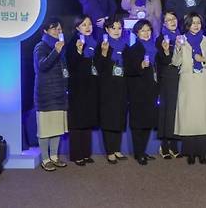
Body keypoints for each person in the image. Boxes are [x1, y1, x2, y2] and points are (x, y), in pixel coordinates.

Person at [173, 13, 206, 165]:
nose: (196, 25)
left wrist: (203, 59)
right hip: (188, 82)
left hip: (203, 82)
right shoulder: (181, 39)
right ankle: (190, 152)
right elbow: (175, 62)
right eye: (193, 23)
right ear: (187, 24)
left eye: (198, 22)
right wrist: (178, 48)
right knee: (189, 118)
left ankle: (202, 152)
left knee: (202, 116)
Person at [124, 19, 166, 165]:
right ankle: (138, 153)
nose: (146, 33)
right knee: (138, 123)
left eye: (148, 30)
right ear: (137, 33)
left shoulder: (156, 48)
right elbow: (128, 70)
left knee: (148, 121)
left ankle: (143, 150)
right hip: (138, 91)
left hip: (152, 89)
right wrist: (140, 66)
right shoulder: (132, 49)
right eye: (143, 30)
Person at [33, 17, 68, 171]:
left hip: (59, 93)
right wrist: (56, 51)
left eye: (60, 29)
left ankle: (54, 156)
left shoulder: (59, 46)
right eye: (54, 28)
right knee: (46, 129)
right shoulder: (41, 46)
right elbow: (42, 66)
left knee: (56, 128)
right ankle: (45, 159)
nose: (58, 31)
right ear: (45, 30)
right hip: (46, 94)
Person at [66, 15, 99, 166]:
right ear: (77, 27)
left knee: (87, 119)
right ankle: (76, 154)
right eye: (84, 24)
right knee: (77, 120)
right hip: (77, 87)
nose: (88, 27)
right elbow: (71, 65)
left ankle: (86, 153)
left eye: (90, 24)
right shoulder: (73, 42)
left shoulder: (95, 41)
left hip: (90, 86)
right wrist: (79, 52)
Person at [95, 17, 129, 164]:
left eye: (119, 28)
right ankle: (110, 151)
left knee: (119, 117)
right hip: (107, 87)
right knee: (109, 119)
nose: (116, 31)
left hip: (122, 86)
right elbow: (99, 67)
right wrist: (103, 53)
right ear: (107, 30)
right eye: (113, 28)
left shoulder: (125, 45)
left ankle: (116, 149)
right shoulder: (102, 45)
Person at [156, 11, 182, 159]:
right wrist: (167, 51)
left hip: (181, 78)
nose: (172, 21)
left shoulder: (181, 37)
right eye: (168, 20)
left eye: (174, 18)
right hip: (168, 79)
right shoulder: (161, 39)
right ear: (164, 24)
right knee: (168, 112)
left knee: (178, 112)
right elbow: (165, 61)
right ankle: (165, 145)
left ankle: (174, 145)